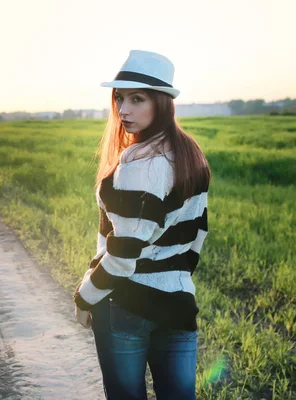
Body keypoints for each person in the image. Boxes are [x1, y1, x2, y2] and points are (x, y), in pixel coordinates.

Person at [73, 49, 211, 400]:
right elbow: (198, 235)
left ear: (162, 102)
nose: (123, 110)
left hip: (125, 304)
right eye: (120, 98)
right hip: (179, 303)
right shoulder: (190, 153)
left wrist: (85, 297)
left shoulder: (140, 163)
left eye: (137, 99)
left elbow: (123, 254)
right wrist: (174, 279)